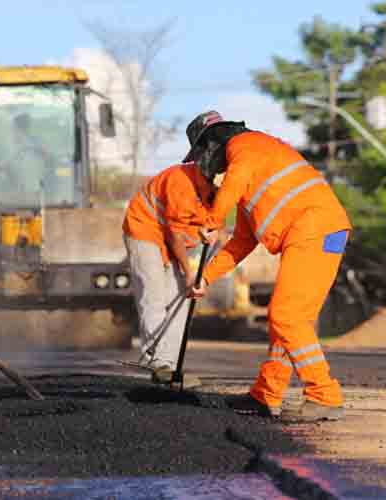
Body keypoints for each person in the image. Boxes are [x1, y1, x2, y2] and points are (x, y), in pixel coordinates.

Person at [185, 110, 351, 422]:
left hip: (316, 229)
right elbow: (240, 243)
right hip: (316, 231)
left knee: (286, 315)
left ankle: (324, 396)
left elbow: (234, 182)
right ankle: (266, 394)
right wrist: (204, 278)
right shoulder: (251, 178)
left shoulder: (247, 146)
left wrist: (212, 220)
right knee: (288, 320)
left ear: (211, 143)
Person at [121, 126, 226, 383]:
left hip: (171, 238)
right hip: (144, 230)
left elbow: (210, 222)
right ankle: (157, 361)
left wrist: (212, 232)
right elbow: (175, 236)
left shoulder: (217, 189)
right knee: (154, 296)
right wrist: (190, 273)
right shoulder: (182, 183)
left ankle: (169, 362)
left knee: (183, 296)